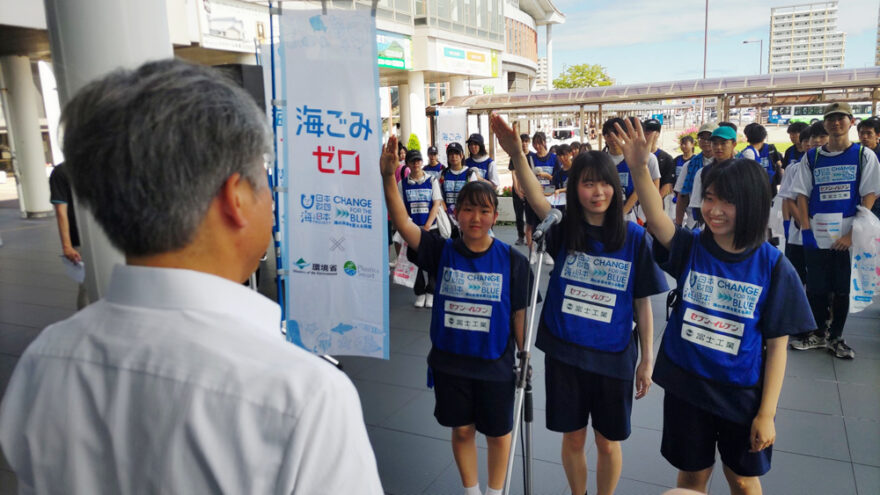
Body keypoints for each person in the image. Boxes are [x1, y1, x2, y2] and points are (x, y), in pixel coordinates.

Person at [0, 59, 382, 493]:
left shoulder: (45, 358)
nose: (272, 198)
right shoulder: (305, 395)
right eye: (264, 178)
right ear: (236, 197)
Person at [612, 118, 815, 495]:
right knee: (692, 478)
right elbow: (656, 219)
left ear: (752, 204)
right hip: (687, 390)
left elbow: (777, 347)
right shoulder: (690, 247)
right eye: (709, 198)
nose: (714, 209)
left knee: (742, 479)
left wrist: (766, 413)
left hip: (741, 395)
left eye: (728, 201)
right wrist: (639, 167)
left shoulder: (773, 267)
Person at [491, 114, 668, 495]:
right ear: (576, 189)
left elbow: (643, 304)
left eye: (605, 183)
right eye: (588, 183)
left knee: (608, 441)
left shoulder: (635, 238)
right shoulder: (565, 226)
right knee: (572, 439)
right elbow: (538, 203)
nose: (598, 191)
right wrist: (518, 156)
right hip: (565, 353)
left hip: (614, 356)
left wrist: (647, 359)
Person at [381, 135, 530, 495]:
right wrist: (388, 177)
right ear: (456, 213)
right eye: (468, 210)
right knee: (462, 429)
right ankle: (471, 491)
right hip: (450, 363)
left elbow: (519, 315)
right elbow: (403, 224)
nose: (475, 218)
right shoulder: (440, 250)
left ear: (495, 215)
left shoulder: (514, 261)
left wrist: (524, 357)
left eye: (483, 211)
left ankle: (495, 492)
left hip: (495, 363)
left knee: (498, 433)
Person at [789, 102, 880, 359]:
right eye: (831, 118)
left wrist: (853, 235)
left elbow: (869, 195)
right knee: (816, 286)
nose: (835, 122)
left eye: (841, 117)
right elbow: (802, 194)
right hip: (817, 231)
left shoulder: (864, 156)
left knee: (842, 287)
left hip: (848, 231)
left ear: (851, 121)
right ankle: (818, 333)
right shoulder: (812, 157)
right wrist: (806, 229)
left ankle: (837, 337)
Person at [399, 149, 444, 308]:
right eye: (413, 161)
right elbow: (401, 207)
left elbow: (436, 203)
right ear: (408, 164)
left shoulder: (431, 180)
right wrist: (408, 225)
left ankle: (431, 291)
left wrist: (427, 225)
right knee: (414, 261)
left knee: (433, 261)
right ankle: (420, 292)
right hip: (412, 229)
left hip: (431, 227)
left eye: (418, 161)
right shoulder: (402, 183)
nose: (416, 164)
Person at [603, 117, 660, 222]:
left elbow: (638, 190)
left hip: (629, 217)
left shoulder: (637, 159)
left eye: (617, 134)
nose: (613, 138)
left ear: (625, 134)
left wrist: (622, 213)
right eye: (608, 135)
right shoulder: (600, 160)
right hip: (605, 217)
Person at [48, 162, 89, 309]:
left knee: (88, 286)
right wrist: (67, 246)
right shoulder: (62, 172)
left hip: (96, 237)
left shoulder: (61, 171)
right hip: (82, 238)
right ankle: (86, 325)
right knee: (88, 287)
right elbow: (61, 211)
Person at [777, 129, 813, 287]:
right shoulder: (794, 168)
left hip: (823, 232)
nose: (812, 143)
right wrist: (789, 223)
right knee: (795, 275)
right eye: (807, 140)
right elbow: (787, 199)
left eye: (819, 138)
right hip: (797, 231)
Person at [688, 126, 738, 225]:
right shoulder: (703, 173)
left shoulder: (743, 172)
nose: (718, 147)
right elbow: (697, 205)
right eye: (715, 143)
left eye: (723, 143)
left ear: (734, 144)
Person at [527, 131, 560, 265]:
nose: (537, 146)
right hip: (534, 195)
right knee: (531, 224)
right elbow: (526, 177)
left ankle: (547, 252)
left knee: (548, 223)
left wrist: (547, 176)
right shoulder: (531, 158)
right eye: (534, 143)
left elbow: (557, 178)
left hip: (549, 196)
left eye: (539, 143)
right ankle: (532, 252)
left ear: (545, 142)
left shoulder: (553, 158)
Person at [674, 122, 716, 226]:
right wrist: (678, 224)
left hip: (718, 219)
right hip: (694, 221)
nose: (706, 141)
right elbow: (682, 196)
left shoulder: (726, 165)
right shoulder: (689, 165)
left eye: (709, 138)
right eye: (702, 138)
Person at [440, 142, 478, 237]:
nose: (454, 156)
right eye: (451, 154)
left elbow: (475, 196)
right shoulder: (443, 174)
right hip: (447, 218)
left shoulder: (469, 174)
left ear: (462, 156)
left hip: (465, 217)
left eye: (456, 154)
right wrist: (443, 206)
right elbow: (438, 195)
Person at [740, 123, 782, 192]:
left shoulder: (770, 148)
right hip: (757, 188)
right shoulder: (749, 153)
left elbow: (779, 164)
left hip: (770, 186)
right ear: (764, 137)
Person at [645, 119, 676, 204]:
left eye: (652, 131)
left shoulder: (667, 158)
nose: (648, 133)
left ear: (658, 134)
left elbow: (667, 184)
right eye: (646, 130)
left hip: (656, 203)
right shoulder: (634, 156)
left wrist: (655, 202)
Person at [509, 134, 531, 245]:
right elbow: (513, 174)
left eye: (526, 141)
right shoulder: (514, 156)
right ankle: (520, 236)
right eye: (522, 141)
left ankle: (529, 237)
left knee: (530, 215)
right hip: (517, 190)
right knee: (519, 215)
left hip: (530, 191)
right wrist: (517, 190)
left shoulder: (532, 156)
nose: (524, 143)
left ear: (529, 142)